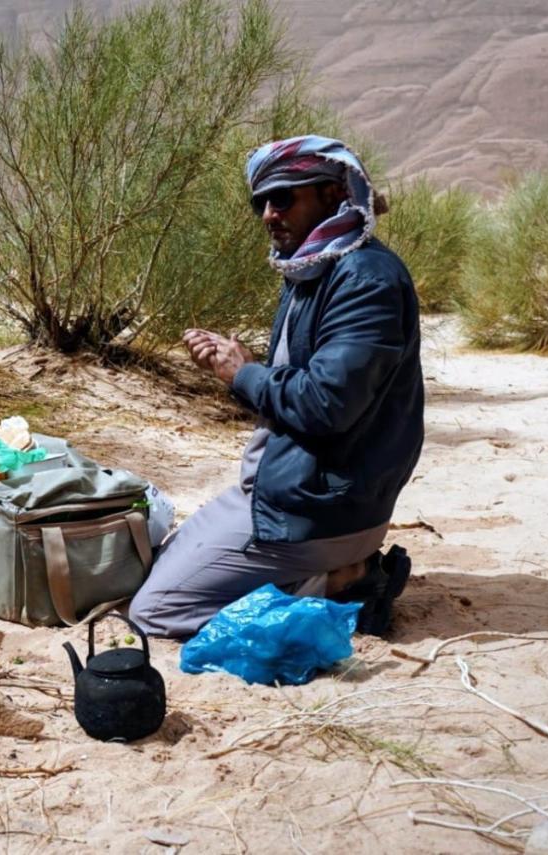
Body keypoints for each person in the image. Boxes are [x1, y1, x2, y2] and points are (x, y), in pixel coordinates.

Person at [129, 136, 424, 638]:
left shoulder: (365, 279)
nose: (268, 214)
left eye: (284, 197)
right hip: (283, 491)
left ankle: (341, 590)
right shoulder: (312, 268)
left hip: (320, 509)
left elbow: (327, 405)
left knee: (155, 611)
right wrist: (242, 367)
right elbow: (311, 381)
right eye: (260, 203)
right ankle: (334, 570)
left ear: (332, 195)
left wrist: (243, 373)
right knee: (151, 567)